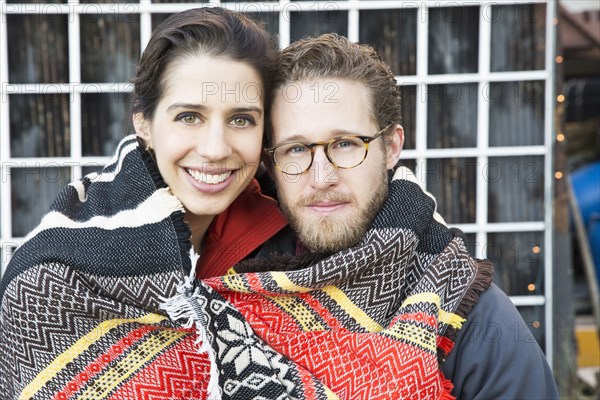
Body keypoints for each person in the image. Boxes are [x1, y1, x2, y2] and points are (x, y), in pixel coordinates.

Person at [168, 34, 559, 398]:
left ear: (391, 147)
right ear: (270, 161)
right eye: (296, 149)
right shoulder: (217, 284)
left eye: (345, 144)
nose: (321, 177)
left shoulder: (473, 318)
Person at [0, 7, 285, 399]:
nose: (216, 149)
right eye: (189, 117)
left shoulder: (294, 244)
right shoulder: (50, 280)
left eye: (241, 120)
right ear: (144, 123)